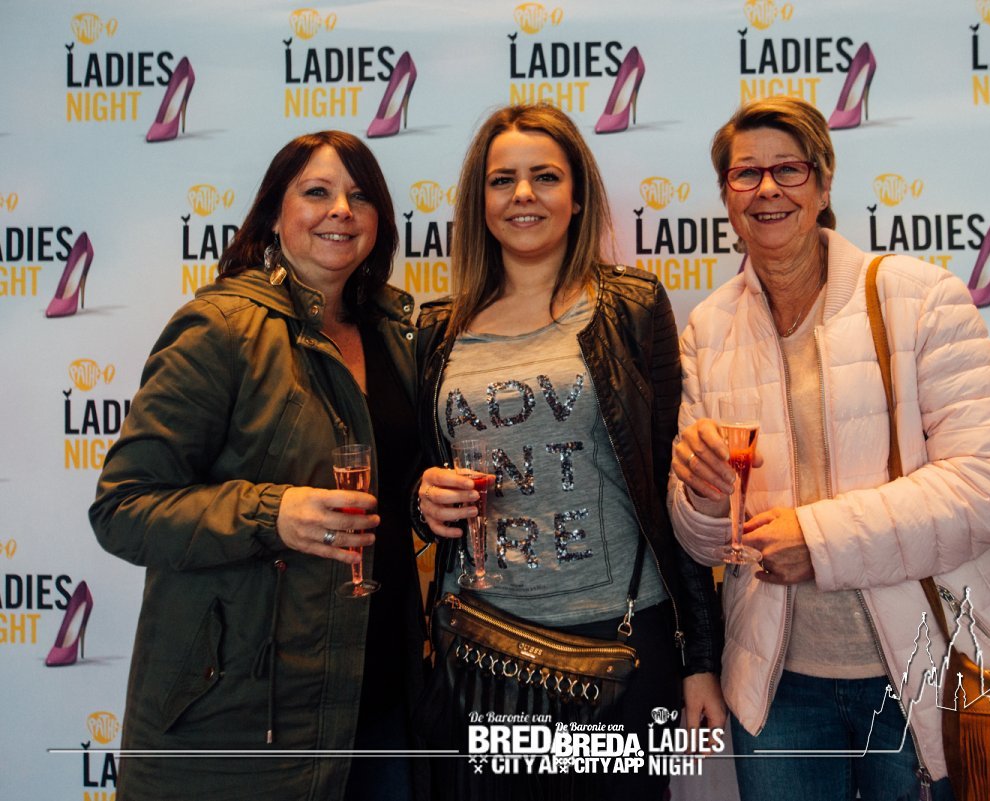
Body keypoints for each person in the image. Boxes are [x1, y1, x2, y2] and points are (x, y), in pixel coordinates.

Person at [667, 96, 990, 800]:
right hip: (777, 689)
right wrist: (702, 493)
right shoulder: (709, 328)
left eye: (789, 169)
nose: (767, 189)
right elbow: (704, 541)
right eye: (746, 173)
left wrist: (818, 539)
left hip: (930, 672)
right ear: (726, 194)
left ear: (825, 182)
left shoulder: (919, 296)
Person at [90, 131, 426, 801]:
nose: (341, 210)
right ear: (274, 213)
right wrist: (274, 512)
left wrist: (425, 498)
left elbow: (396, 491)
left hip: (384, 698)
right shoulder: (220, 327)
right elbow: (123, 508)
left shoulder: (396, 333)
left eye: (360, 196)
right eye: (317, 192)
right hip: (254, 714)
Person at [413, 104, 725, 800]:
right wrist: (420, 500)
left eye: (545, 177)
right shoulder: (436, 330)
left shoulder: (631, 306)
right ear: (479, 201)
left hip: (619, 644)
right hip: (484, 651)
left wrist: (700, 658)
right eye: (503, 180)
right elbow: (412, 483)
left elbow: (670, 487)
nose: (523, 195)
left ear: (577, 196)